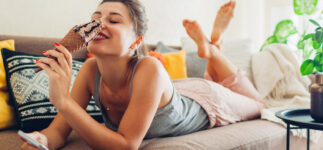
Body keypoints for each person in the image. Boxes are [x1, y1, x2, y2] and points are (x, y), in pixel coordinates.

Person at [22, 0, 264, 149]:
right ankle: (211, 48)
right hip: (178, 91)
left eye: (113, 20)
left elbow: (126, 145)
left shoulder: (150, 67)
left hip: (209, 100)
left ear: (136, 41)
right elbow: (57, 131)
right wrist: (40, 142)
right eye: (95, 19)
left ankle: (212, 49)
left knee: (259, 105)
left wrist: (63, 100)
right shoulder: (89, 70)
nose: (99, 24)